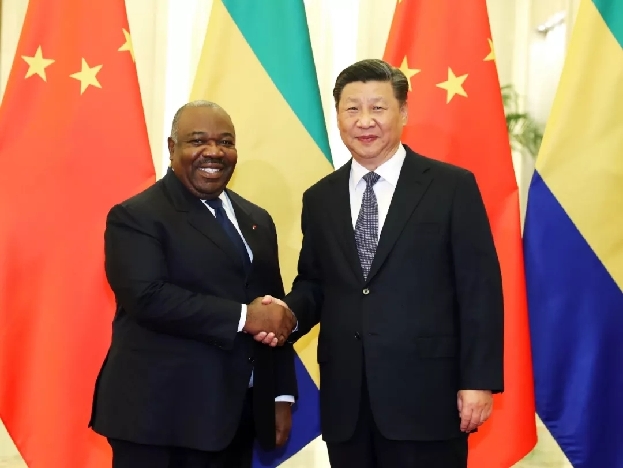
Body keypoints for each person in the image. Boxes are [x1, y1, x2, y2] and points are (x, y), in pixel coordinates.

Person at [257, 59, 504, 468]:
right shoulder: (320, 198)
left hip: (428, 399)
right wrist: (285, 314)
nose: (364, 121)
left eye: (378, 107)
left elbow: (479, 290)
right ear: (338, 116)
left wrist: (478, 381)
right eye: (352, 108)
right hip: (348, 403)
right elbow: (315, 284)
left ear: (403, 112)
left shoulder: (451, 187)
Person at [89, 100, 297, 468]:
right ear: (172, 148)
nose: (213, 152)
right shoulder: (137, 216)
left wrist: (280, 395)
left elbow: (271, 309)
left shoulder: (257, 219)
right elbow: (147, 297)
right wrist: (243, 317)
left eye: (225, 142)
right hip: (159, 422)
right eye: (198, 141)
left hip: (237, 418)